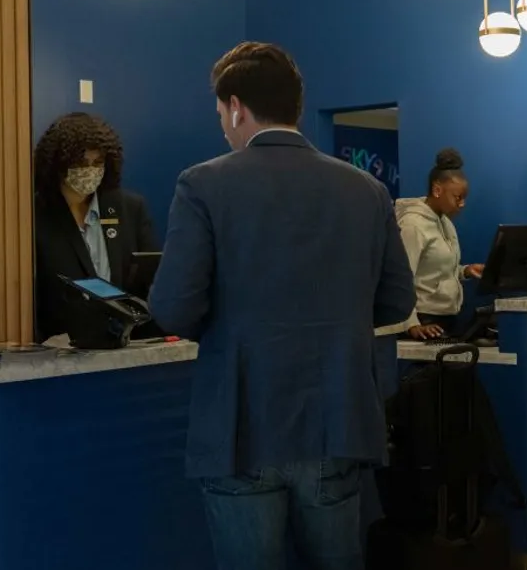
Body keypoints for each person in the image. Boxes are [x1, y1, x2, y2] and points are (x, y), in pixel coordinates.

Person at [148, 42, 417, 570]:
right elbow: (397, 301)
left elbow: (173, 309)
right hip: (337, 418)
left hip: (240, 422)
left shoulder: (202, 184)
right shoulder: (367, 190)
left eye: (222, 114)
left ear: (235, 107)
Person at [33, 112, 157, 342]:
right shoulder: (34, 216)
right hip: (58, 353)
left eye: (97, 163)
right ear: (58, 163)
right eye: (80, 163)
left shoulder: (130, 209)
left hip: (126, 347)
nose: (89, 170)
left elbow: (149, 284)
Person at [395, 148, 484, 340]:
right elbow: (401, 278)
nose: (462, 204)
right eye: (457, 197)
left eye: (464, 198)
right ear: (437, 190)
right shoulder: (412, 225)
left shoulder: (444, 221)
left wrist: (465, 271)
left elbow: (434, 269)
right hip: (423, 321)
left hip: (447, 318)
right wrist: (411, 325)